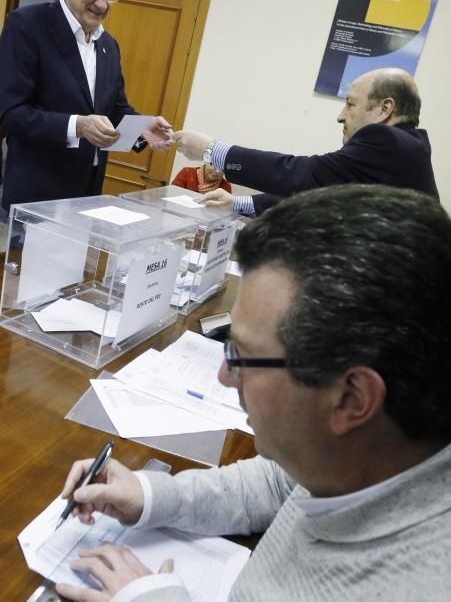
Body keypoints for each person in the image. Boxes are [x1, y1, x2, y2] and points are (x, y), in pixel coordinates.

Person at [57, 184, 451, 601]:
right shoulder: (361, 458)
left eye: (243, 356)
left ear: (352, 398)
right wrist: (151, 495)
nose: (225, 376)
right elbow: (282, 484)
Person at [0, 0, 174, 210]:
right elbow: (13, 115)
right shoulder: (27, 26)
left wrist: (143, 127)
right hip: (35, 198)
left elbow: (116, 108)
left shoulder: (109, 46)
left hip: (86, 199)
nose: (102, 4)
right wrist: (78, 126)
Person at [174, 67, 439, 216]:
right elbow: (321, 195)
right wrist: (238, 203)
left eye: (350, 104)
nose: (341, 116)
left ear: (384, 108)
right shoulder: (410, 145)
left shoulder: (386, 141)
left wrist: (211, 150)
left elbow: (300, 174)